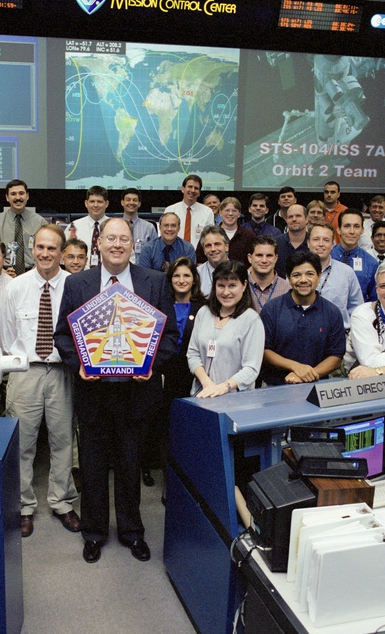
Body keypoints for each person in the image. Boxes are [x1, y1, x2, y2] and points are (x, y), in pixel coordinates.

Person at [53, 217, 178, 565]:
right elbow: (62, 335)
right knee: (92, 469)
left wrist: (153, 362)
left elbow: (169, 337)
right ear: (99, 243)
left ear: (132, 244)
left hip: (136, 395)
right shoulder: (78, 283)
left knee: (129, 465)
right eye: (111, 238)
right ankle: (93, 534)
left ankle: (131, 532)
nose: (117, 244)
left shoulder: (155, 282)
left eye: (124, 238)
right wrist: (77, 362)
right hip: (93, 393)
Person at [0, 225, 80, 538]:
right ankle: (23, 506)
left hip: (62, 372)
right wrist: (23, 360)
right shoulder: (16, 287)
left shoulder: (75, 285)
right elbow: (6, 335)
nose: (45, 254)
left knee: (63, 441)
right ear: (32, 249)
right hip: (25, 372)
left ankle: (62, 501)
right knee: (22, 444)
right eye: (40, 248)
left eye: (52, 249)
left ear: (61, 252)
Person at [145, 257, 207, 487]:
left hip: (193, 373)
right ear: (170, 280)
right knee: (164, 427)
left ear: (194, 279)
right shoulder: (161, 304)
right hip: (164, 372)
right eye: (176, 276)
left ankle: (190, 480)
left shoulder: (203, 307)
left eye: (186, 275)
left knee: (189, 428)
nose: (181, 280)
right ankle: (168, 481)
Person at [260, 251, 346, 386]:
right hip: (274, 388)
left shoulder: (332, 312)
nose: (303, 280)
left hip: (318, 389)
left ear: (319, 277)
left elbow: (336, 357)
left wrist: (306, 375)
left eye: (310, 274)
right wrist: (296, 367)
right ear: (288, 278)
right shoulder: (271, 309)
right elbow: (264, 350)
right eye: (296, 275)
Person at [187, 260, 264, 397]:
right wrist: (207, 383)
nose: (226, 292)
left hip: (236, 400)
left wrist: (223, 387)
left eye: (232, 286)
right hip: (202, 395)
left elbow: (251, 368)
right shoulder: (204, 312)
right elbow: (193, 353)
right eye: (221, 286)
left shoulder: (251, 320)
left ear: (244, 285)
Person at [0, 179, 48, 276]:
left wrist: (35, 271)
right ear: (7, 197)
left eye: (21, 193)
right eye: (13, 194)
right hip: (4, 274)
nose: (18, 197)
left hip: (34, 273)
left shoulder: (40, 223)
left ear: (27, 196)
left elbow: (46, 252)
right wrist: (2, 273)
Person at [308, 222, 363, 328]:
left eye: (326, 240)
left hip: (339, 336)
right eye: (316, 239)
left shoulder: (346, 272)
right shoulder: (296, 272)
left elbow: (357, 309)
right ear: (308, 243)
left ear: (332, 245)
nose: (321, 244)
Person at [331, 209, 378, 301]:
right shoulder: (326, 257)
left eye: (356, 226)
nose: (351, 231)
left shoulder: (371, 263)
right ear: (339, 230)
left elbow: (373, 299)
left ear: (362, 230)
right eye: (347, 226)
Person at [196, 197, 254, 265]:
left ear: (239, 213)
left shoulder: (249, 235)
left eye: (234, 211)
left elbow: (254, 260)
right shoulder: (208, 234)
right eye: (227, 210)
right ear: (220, 212)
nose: (230, 213)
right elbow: (199, 260)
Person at [164, 174, 214, 248]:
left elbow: (210, 238)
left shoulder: (207, 212)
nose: (193, 190)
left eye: (196, 188)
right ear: (183, 189)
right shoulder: (170, 210)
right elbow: (164, 236)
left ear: (199, 192)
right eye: (190, 187)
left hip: (198, 256)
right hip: (174, 255)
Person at [69, 186, 110, 269]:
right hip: (81, 275)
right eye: (92, 201)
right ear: (86, 203)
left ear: (106, 204)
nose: (95, 205)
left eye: (99, 202)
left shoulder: (115, 226)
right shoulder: (74, 226)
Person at [247, 236, 291, 314]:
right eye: (259, 255)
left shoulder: (287, 289)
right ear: (250, 258)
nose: (264, 260)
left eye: (269, 256)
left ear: (276, 258)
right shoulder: (240, 286)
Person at [120, 188, 159, 265]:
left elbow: (155, 253)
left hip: (142, 271)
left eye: (134, 200)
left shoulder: (149, 227)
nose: (131, 202)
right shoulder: (114, 226)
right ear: (122, 202)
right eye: (128, 200)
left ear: (139, 203)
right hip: (119, 269)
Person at [274, 203, 309, 278]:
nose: (294, 219)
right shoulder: (275, 243)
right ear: (286, 220)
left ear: (306, 219)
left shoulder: (314, 243)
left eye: (298, 216)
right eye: (290, 217)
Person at [197, 225, 230, 296]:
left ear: (226, 247)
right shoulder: (197, 274)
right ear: (204, 250)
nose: (213, 249)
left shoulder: (241, 272)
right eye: (208, 245)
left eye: (217, 244)